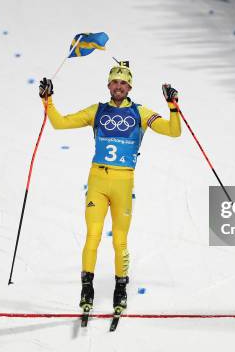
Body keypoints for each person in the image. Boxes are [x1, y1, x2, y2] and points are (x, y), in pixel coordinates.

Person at [38, 61, 181, 313]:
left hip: (124, 183)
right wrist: (47, 99)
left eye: (123, 83)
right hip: (98, 180)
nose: (118, 86)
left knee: (120, 241)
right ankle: (87, 289)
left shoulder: (141, 112)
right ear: (108, 85)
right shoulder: (98, 110)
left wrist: (173, 106)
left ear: (129, 86)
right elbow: (60, 123)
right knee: (92, 235)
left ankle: (120, 289)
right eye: (115, 82)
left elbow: (173, 131)